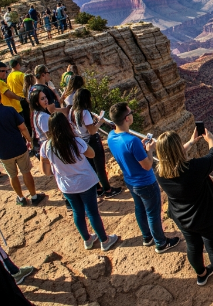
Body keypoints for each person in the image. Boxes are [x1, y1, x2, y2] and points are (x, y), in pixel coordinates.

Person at [154, 128, 213, 289]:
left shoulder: (160, 172)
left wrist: (191, 141)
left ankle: (201, 275)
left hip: (182, 218)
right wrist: (210, 140)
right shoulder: (194, 168)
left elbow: (172, 158)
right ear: (177, 148)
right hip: (206, 217)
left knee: (193, 246)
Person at [39, 112, 119, 251]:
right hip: (85, 182)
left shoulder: (46, 146)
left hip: (66, 186)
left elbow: (46, 171)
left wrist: (58, 168)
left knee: (77, 212)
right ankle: (104, 241)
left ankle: (87, 240)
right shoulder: (75, 141)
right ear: (66, 126)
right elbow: (92, 154)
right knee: (92, 212)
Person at [107, 102, 180, 253]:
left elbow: (127, 154)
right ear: (127, 118)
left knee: (139, 208)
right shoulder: (131, 141)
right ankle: (161, 243)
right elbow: (147, 165)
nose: (132, 114)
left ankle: (147, 237)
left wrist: (140, 148)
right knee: (153, 214)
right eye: (131, 112)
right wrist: (150, 150)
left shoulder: (111, 136)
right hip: (145, 183)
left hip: (130, 181)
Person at [70, 88, 122, 198]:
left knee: (91, 166)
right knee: (100, 167)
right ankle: (108, 190)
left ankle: (98, 189)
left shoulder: (72, 111)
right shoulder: (84, 112)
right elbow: (92, 131)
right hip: (92, 142)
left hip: (82, 142)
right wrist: (100, 122)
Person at [0, 103, 42, 206]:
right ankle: (34, 197)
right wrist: (30, 141)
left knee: (12, 175)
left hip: (4, 153)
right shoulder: (10, 110)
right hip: (19, 147)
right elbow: (22, 128)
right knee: (26, 172)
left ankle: (21, 198)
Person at [6, 58, 28, 134]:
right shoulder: (21, 75)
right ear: (18, 65)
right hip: (23, 101)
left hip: (14, 104)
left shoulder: (8, 77)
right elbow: (26, 88)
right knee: (28, 122)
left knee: (21, 124)